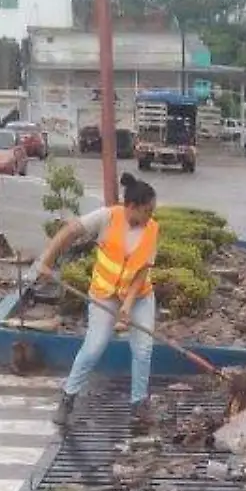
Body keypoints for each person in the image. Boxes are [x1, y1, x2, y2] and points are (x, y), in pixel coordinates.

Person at [38, 173, 159, 427]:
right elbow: (70, 231)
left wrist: (127, 305)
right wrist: (46, 262)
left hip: (139, 296)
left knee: (143, 349)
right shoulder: (107, 217)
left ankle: (139, 403)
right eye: (147, 210)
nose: (151, 216)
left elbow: (142, 271)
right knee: (94, 346)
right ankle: (68, 398)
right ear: (132, 207)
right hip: (104, 294)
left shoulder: (151, 229)